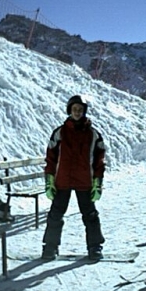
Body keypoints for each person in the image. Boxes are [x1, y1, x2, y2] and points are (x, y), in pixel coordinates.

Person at [41, 95, 106, 260]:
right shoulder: (59, 133)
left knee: (90, 215)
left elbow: (99, 161)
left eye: (80, 109)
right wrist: (49, 181)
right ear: (69, 110)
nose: (77, 112)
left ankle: (95, 246)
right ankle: (50, 247)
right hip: (62, 181)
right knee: (55, 214)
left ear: (84, 111)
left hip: (85, 182)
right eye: (74, 109)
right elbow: (50, 158)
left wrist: (97, 183)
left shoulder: (93, 134)